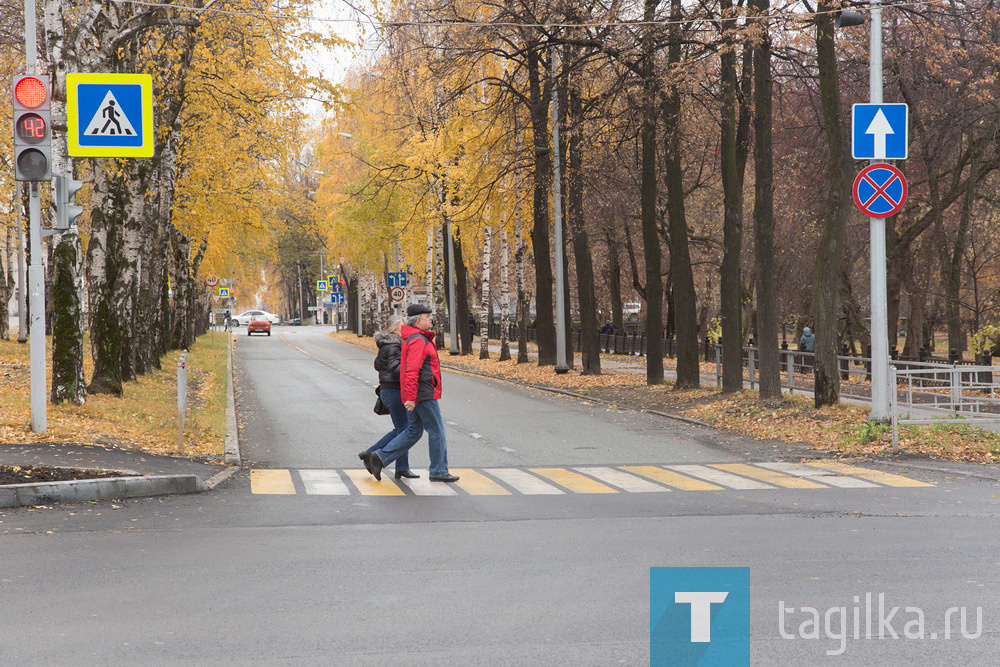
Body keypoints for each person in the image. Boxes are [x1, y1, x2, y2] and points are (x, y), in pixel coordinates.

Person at [362, 304, 459, 483]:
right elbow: (412, 370)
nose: (431, 319)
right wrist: (412, 397)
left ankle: (380, 457)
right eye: (427, 316)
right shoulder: (417, 340)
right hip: (422, 393)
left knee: (413, 430)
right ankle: (438, 470)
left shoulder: (417, 338)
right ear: (419, 320)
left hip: (419, 391)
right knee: (437, 430)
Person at [358, 316, 418, 479]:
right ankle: (373, 454)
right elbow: (395, 369)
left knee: (402, 429)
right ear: (394, 330)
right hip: (394, 390)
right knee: (405, 429)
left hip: (390, 390)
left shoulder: (392, 344)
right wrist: (413, 368)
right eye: (402, 327)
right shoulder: (394, 345)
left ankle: (400, 467)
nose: (406, 330)